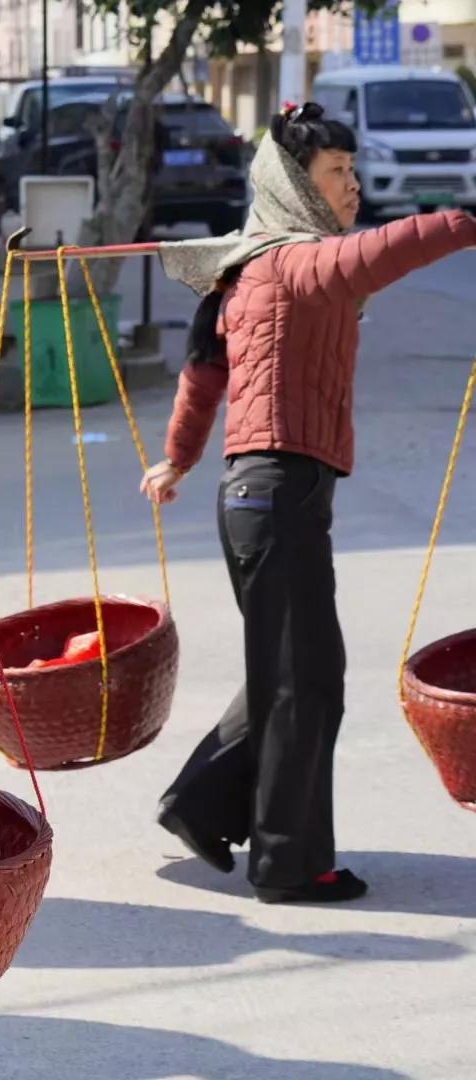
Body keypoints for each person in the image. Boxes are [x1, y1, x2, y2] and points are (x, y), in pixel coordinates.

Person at [143, 103, 476, 904]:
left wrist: (178, 459)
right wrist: (465, 222)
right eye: (335, 173)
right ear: (295, 184)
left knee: (297, 671)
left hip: (269, 496)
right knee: (305, 683)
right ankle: (290, 864)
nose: (352, 187)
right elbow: (380, 253)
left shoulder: (249, 268)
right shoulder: (293, 263)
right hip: (277, 493)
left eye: (353, 172)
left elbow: (202, 378)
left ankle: (201, 803)